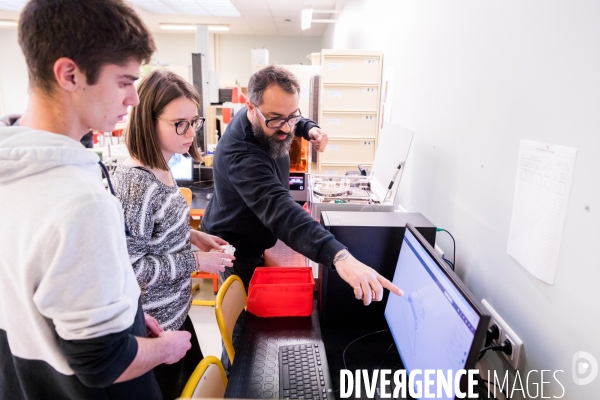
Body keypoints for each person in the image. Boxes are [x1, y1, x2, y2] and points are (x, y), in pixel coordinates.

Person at [0, 1, 191, 399]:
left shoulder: (14, 170)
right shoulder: (79, 202)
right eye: (123, 82)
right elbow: (103, 362)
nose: (134, 100)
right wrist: (165, 348)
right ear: (69, 74)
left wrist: (132, 323)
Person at [202, 65, 404, 305]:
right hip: (235, 246)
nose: (287, 128)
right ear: (251, 109)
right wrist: (339, 255)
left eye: (292, 116)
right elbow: (281, 211)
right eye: (276, 119)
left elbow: (287, 118)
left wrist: (310, 128)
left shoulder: (268, 116)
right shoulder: (242, 156)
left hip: (255, 233)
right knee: (244, 328)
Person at [111, 69, 235, 400]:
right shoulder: (136, 185)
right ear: (148, 121)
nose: (191, 132)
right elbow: (133, 267)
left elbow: (157, 232)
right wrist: (196, 260)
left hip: (177, 314)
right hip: (155, 329)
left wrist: (194, 236)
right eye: (180, 123)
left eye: (194, 122)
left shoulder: (163, 165)